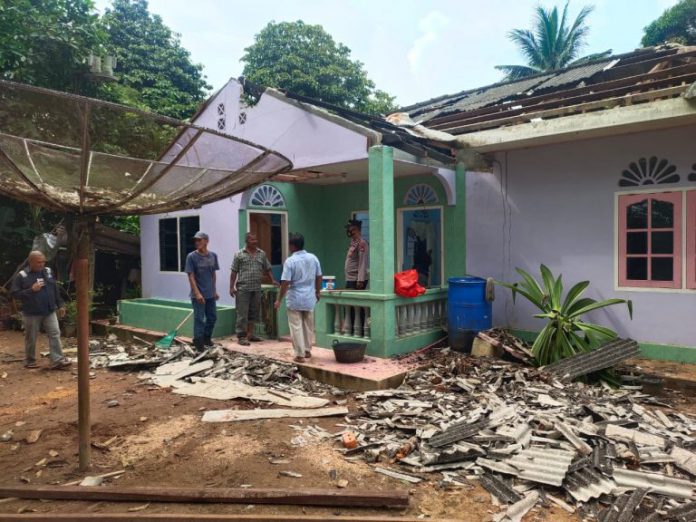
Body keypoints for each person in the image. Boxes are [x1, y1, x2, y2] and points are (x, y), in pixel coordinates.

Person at [10, 251, 71, 370]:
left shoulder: (48, 271)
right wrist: (31, 290)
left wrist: (60, 304)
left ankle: (57, 360)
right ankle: (30, 361)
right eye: (39, 262)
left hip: (49, 310)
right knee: (31, 337)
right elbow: (14, 294)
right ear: (31, 262)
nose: (42, 264)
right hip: (32, 313)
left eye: (43, 261)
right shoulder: (22, 275)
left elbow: (54, 288)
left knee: (55, 333)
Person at [274, 233, 322, 362]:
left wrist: (279, 299)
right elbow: (319, 276)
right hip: (309, 297)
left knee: (296, 326)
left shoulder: (290, 261)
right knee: (308, 325)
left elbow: (285, 282)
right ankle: (307, 350)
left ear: (292, 246)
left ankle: (299, 354)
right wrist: (318, 291)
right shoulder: (313, 258)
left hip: (295, 297)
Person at [230, 232, 278, 346]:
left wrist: (273, 280)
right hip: (243, 288)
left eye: (256, 239)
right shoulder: (239, 254)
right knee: (242, 313)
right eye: (252, 240)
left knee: (254, 313)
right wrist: (231, 287)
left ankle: (250, 334)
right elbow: (233, 271)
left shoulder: (261, 254)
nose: (255, 241)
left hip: (256, 288)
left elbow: (268, 268)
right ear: (247, 241)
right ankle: (241, 336)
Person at [185, 231, 219, 352]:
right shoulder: (191, 257)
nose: (197, 242)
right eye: (195, 240)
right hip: (198, 295)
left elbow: (213, 274)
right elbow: (191, 276)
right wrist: (197, 293)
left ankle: (206, 338)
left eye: (199, 240)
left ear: (206, 241)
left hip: (210, 294)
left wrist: (214, 291)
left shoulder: (213, 256)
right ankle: (198, 342)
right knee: (199, 319)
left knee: (212, 317)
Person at [344, 219, 369, 290]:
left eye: (350, 229)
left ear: (356, 229)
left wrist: (360, 280)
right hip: (350, 278)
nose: (348, 231)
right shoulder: (353, 242)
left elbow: (363, 262)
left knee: (351, 300)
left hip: (356, 279)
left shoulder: (362, 243)